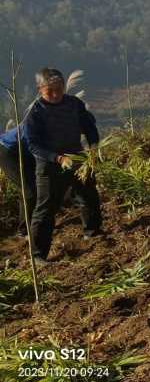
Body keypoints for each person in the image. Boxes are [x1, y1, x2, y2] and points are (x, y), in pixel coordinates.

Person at [25, 68, 102, 267]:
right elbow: (33, 144)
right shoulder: (35, 112)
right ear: (40, 89)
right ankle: (39, 255)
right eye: (50, 91)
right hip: (50, 165)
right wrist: (57, 158)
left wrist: (93, 146)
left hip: (77, 157)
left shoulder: (74, 104)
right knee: (46, 208)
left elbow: (89, 126)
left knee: (88, 195)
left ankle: (92, 233)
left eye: (59, 89)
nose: (56, 94)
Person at [0, 125, 35, 236]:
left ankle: (35, 222)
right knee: (28, 191)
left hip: (23, 150)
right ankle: (24, 230)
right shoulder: (38, 123)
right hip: (7, 150)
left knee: (36, 185)